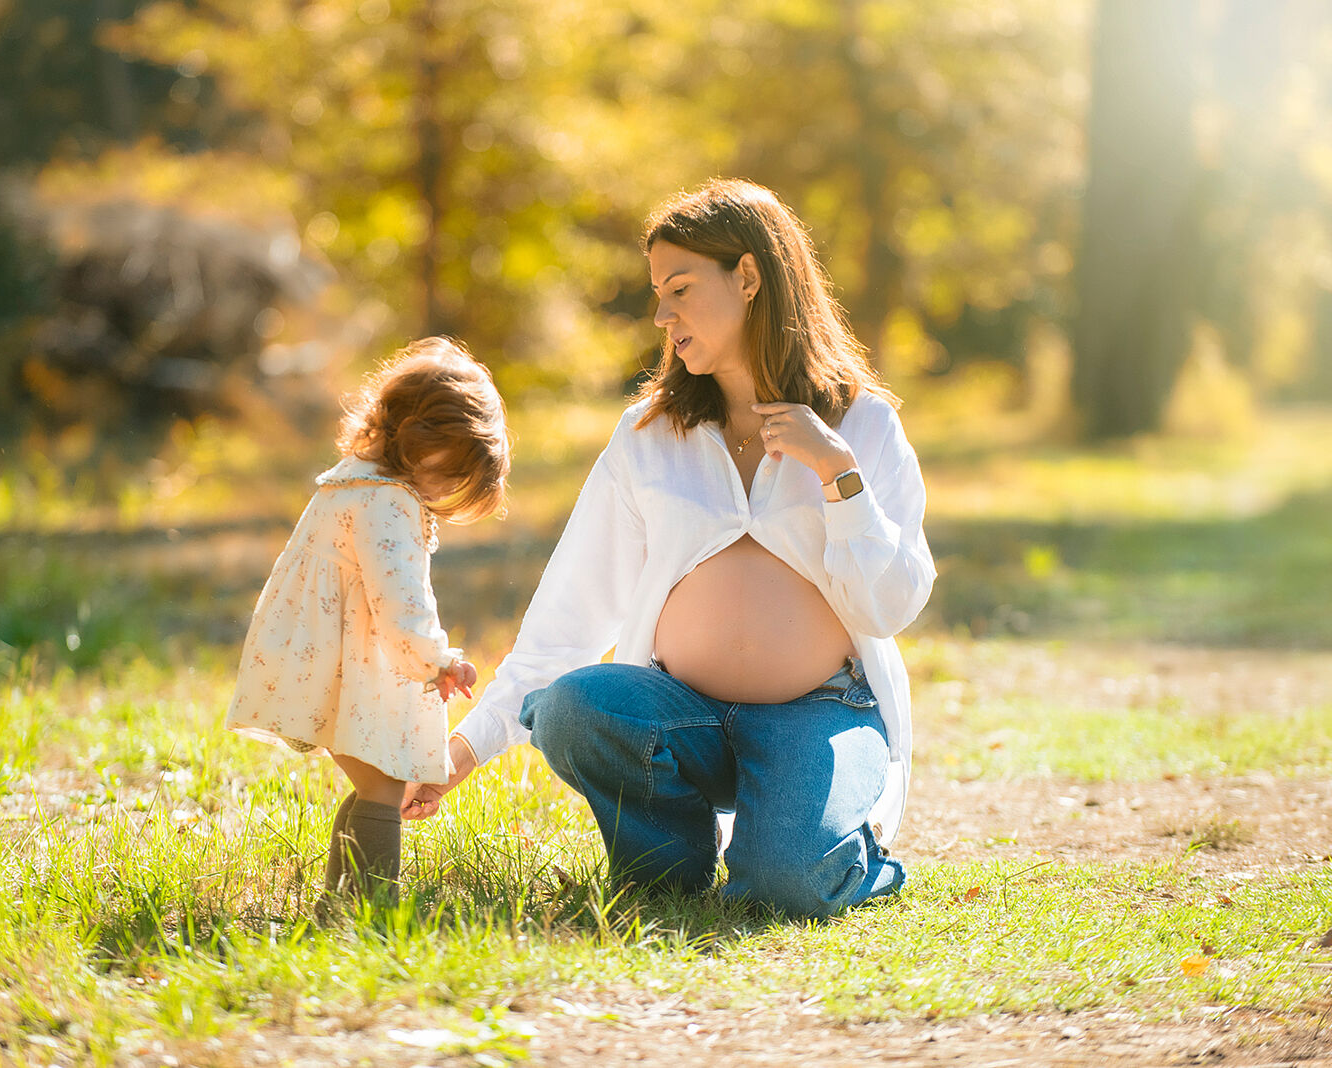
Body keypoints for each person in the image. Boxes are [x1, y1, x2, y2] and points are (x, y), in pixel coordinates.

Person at [404, 179, 935, 919]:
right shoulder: (650, 436)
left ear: (747, 277)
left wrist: (837, 473)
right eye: (659, 292)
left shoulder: (865, 427)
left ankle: (838, 849)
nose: (662, 315)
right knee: (571, 707)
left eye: (680, 288)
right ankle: (665, 868)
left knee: (786, 889)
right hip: (678, 717)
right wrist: (457, 754)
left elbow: (893, 605)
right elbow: (569, 617)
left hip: (819, 713)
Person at [226, 337, 510, 900]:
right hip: (338, 665)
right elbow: (400, 599)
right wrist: (437, 660)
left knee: (376, 784)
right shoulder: (387, 501)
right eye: (451, 472)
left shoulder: (350, 480)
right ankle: (372, 912)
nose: (448, 489)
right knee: (383, 786)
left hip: (320, 657)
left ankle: (343, 903)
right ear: (419, 440)